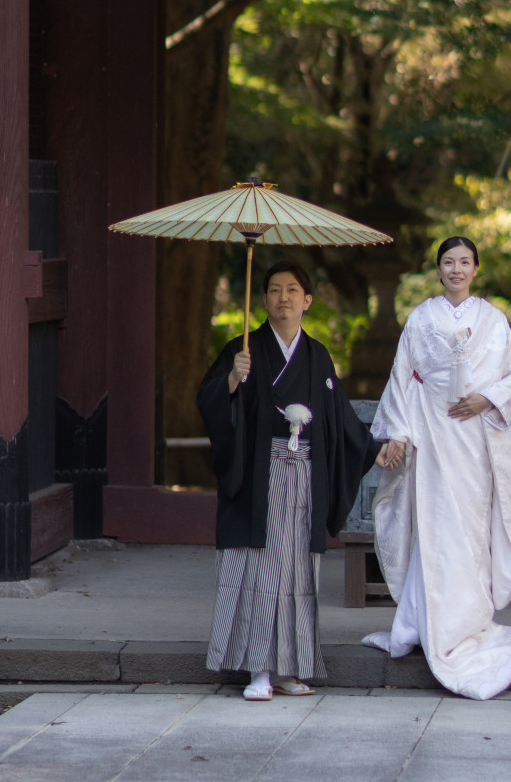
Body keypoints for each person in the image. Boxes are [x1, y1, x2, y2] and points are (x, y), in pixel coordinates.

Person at [197, 259, 379, 701]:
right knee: (261, 568)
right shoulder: (242, 349)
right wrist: (232, 382)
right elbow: (209, 403)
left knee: (298, 570)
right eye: (275, 290)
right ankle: (259, 668)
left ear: (308, 301)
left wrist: (377, 445)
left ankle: (291, 667)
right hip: (258, 477)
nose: (284, 298)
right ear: (263, 300)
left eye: (293, 290)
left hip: (305, 477)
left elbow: (339, 421)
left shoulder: (317, 355)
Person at [364, 236, 511, 700]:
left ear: (476, 268)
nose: (456, 269)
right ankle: (421, 623)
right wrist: (398, 432)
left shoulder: (493, 320)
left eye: (464, 262)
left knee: (471, 530)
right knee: (434, 526)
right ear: (438, 269)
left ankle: (468, 622)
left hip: (475, 438)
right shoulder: (421, 317)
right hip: (432, 434)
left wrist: (488, 398)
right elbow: (403, 376)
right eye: (448, 262)